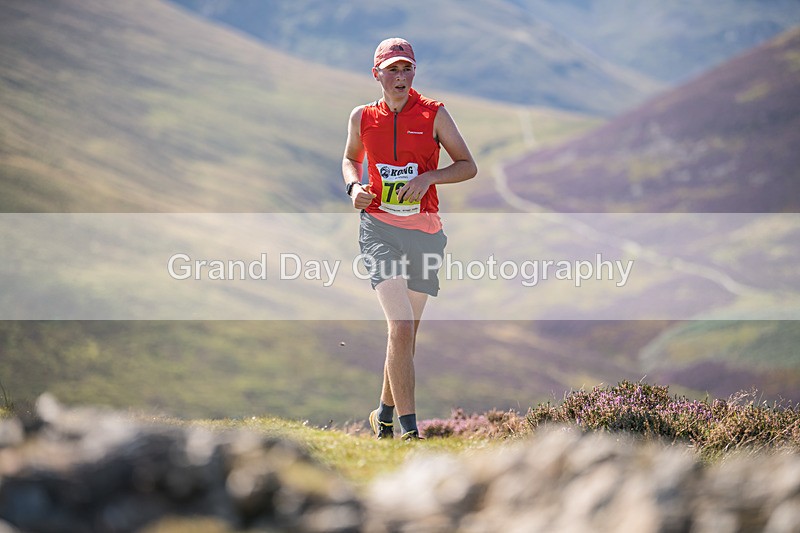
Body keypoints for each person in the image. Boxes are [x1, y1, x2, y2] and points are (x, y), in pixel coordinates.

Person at [341, 37, 477, 440]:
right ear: (376, 74)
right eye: (393, 69)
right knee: (400, 325)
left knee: (406, 335)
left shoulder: (434, 113)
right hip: (379, 228)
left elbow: (468, 165)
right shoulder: (362, 117)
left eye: (407, 69)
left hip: (425, 233)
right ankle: (408, 433)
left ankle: (383, 413)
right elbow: (351, 159)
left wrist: (430, 177)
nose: (401, 77)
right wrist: (354, 188)